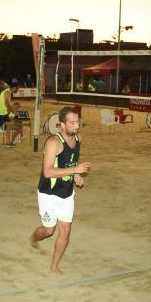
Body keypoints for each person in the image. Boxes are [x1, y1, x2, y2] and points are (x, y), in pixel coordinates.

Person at [29, 106, 91, 274]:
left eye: (77, 121)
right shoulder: (53, 142)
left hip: (66, 194)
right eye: (72, 122)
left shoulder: (78, 139)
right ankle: (33, 237)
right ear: (62, 125)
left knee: (66, 230)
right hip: (48, 194)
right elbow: (48, 172)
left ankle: (54, 265)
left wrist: (75, 175)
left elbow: (69, 163)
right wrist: (75, 170)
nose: (76, 125)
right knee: (49, 231)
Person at [0, 80, 15, 148]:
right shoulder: (8, 91)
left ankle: (8, 142)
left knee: (8, 125)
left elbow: (4, 83)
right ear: (15, 88)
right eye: (17, 88)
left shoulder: (8, 89)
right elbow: (6, 103)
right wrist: (11, 109)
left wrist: (2, 82)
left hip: (4, 112)